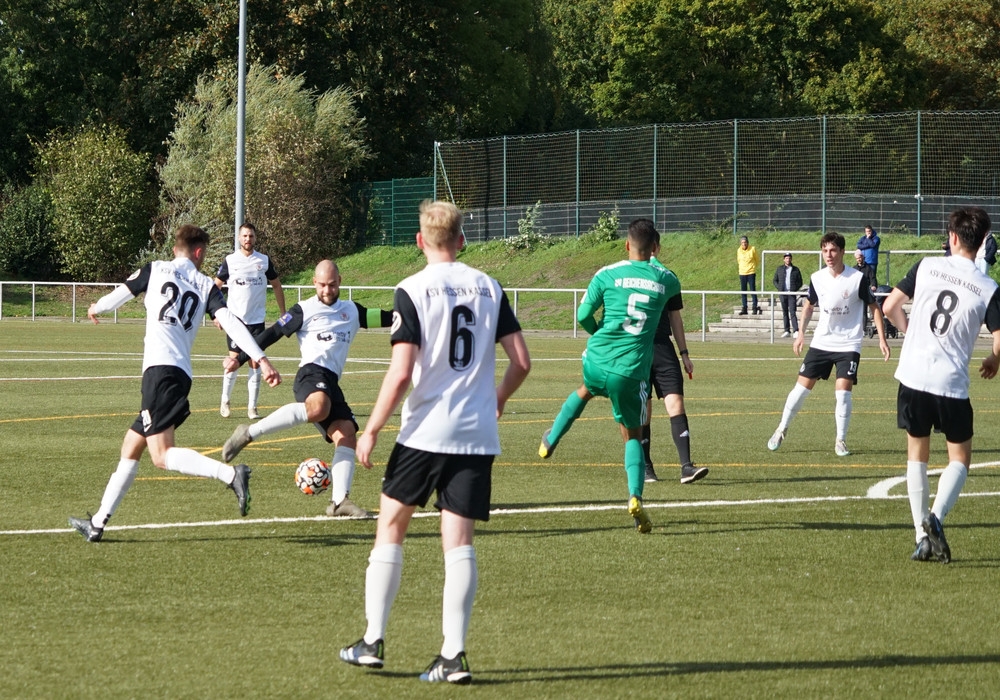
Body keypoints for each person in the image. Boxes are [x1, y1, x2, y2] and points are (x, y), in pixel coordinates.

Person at [338, 201, 530, 684]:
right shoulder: (490, 286)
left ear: (420, 241)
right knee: (459, 545)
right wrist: (498, 398)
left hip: (424, 433)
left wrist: (372, 429)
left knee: (391, 529)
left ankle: (372, 641)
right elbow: (522, 362)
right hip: (475, 435)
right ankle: (453, 655)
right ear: (461, 240)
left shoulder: (412, 289)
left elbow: (402, 371)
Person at [68, 225, 281, 542]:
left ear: (175, 249)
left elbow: (117, 297)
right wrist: (260, 359)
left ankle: (230, 474)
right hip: (178, 374)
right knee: (132, 445)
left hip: (160, 373)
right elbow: (231, 323)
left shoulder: (155, 269)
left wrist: (96, 307)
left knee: (161, 455)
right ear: (198, 252)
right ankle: (97, 523)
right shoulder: (206, 285)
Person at [220, 259, 393, 518]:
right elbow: (272, 333)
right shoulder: (303, 310)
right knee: (318, 407)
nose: (327, 290)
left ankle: (339, 502)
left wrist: (415, 314)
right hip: (311, 374)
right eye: (322, 285)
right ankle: (249, 432)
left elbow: (387, 317)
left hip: (331, 381)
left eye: (332, 285)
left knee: (346, 433)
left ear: (340, 282)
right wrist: (240, 358)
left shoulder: (352, 310)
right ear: (314, 283)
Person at [537, 218, 674, 532]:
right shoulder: (665, 279)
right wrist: (653, 262)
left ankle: (551, 438)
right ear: (655, 247)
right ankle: (635, 496)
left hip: (596, 360)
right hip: (630, 371)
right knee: (633, 435)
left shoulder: (606, 273)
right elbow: (667, 283)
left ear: (626, 244)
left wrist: (598, 332)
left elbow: (583, 314)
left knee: (585, 390)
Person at [882, 207, 1000, 564]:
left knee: (916, 455)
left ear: (952, 237)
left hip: (913, 376)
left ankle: (921, 536)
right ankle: (935, 517)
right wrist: (993, 359)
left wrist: (912, 333)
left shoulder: (926, 265)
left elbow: (889, 306)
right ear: (982, 242)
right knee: (959, 459)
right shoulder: (989, 287)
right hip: (951, 383)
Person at [767, 232, 890, 457]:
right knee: (800, 390)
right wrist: (800, 334)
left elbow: (874, 308)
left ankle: (840, 440)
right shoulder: (817, 278)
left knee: (843, 394)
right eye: (825, 251)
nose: (829, 255)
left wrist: (882, 339)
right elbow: (809, 306)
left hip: (849, 344)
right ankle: (781, 429)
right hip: (822, 342)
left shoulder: (857, 278)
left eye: (833, 250)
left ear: (842, 251)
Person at [641, 233, 707, 485]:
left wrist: (684, 353)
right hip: (638, 350)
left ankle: (686, 467)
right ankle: (646, 467)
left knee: (676, 404)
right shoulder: (627, 276)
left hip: (662, 348)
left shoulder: (668, 277)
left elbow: (675, 317)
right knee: (643, 410)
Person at [215, 222, 286, 420]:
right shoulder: (230, 260)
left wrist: (283, 312)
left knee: (255, 362)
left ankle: (252, 407)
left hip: (256, 321)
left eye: (251, 236)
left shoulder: (263, 260)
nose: (248, 239)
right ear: (239, 238)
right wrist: (217, 314)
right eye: (245, 236)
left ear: (255, 238)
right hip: (235, 320)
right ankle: (225, 400)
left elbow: (277, 285)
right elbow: (215, 287)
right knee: (233, 361)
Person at [771, 252, 802, 338]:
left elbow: (800, 281)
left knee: (792, 312)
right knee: (785, 312)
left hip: (791, 294)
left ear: (791, 259)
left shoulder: (795, 269)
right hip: (783, 293)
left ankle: (796, 330)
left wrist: (794, 288)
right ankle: (787, 330)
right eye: (786, 258)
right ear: (784, 259)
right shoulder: (779, 269)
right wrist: (779, 288)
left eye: (789, 258)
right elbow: (775, 280)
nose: (788, 260)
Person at [853, 249, 877, 335]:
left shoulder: (868, 268)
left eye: (859, 257)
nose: (858, 259)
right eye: (857, 258)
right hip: (856, 292)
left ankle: (863, 330)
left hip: (864, 292)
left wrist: (873, 285)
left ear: (862, 257)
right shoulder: (854, 269)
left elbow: (873, 278)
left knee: (863, 311)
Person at [737, 235, 761, 315]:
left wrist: (753, 267)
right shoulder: (739, 250)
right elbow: (738, 260)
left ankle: (754, 307)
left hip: (751, 272)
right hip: (742, 273)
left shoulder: (752, 249)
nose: (744, 244)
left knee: (752, 290)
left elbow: (757, 259)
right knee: (743, 291)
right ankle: (744, 307)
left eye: (745, 242)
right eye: (742, 242)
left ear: (747, 242)